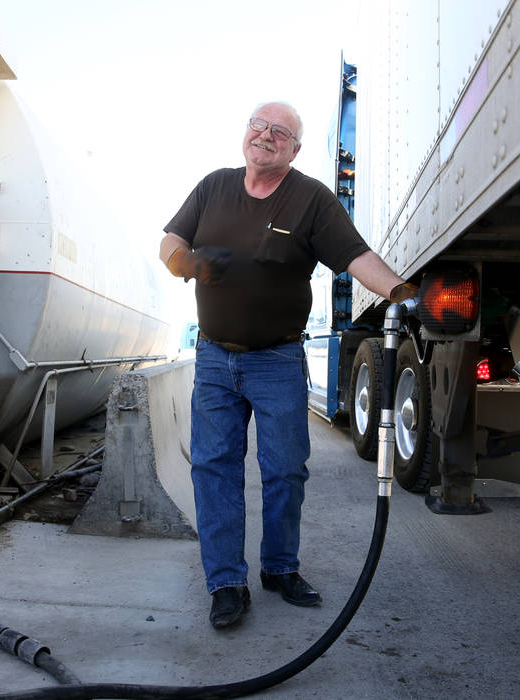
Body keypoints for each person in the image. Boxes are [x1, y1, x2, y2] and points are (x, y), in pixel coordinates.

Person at [159, 101, 417, 629]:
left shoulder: (311, 200)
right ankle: (226, 582)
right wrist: (182, 262)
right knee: (214, 469)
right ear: (245, 132)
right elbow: (171, 238)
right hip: (213, 358)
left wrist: (399, 290)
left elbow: (355, 256)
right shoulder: (213, 187)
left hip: (276, 360)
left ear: (295, 150)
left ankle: (279, 568)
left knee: (284, 471)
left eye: (281, 132)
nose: (267, 135)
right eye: (259, 125)